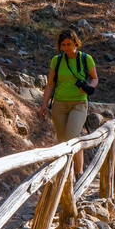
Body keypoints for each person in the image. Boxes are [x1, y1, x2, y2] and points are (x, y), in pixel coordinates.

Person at [39, 28, 98, 174]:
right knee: (61, 141)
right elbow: (50, 84)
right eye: (63, 45)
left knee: (72, 137)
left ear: (76, 43)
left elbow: (95, 78)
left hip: (79, 103)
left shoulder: (86, 58)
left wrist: (89, 87)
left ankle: (78, 174)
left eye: (69, 44)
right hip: (59, 104)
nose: (66, 48)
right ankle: (66, 175)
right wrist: (44, 105)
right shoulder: (56, 60)